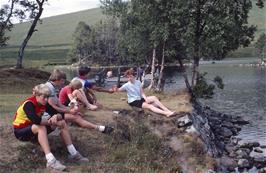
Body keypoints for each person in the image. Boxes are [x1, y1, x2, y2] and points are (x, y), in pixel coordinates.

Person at [13, 84, 88, 171]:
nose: (46, 100)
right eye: (44, 97)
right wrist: (53, 122)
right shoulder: (29, 104)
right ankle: (50, 161)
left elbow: (60, 114)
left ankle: (73, 153)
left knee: (62, 122)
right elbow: (36, 120)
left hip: (33, 130)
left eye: (47, 97)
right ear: (37, 95)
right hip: (20, 131)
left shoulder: (44, 103)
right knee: (41, 127)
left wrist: (56, 116)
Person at [45, 69, 113, 135]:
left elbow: (59, 104)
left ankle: (101, 128)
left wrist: (70, 110)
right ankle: (100, 128)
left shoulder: (52, 87)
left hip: (53, 113)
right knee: (76, 117)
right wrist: (69, 111)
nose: (63, 83)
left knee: (76, 115)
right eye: (62, 81)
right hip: (49, 115)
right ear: (57, 79)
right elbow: (54, 107)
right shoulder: (49, 88)